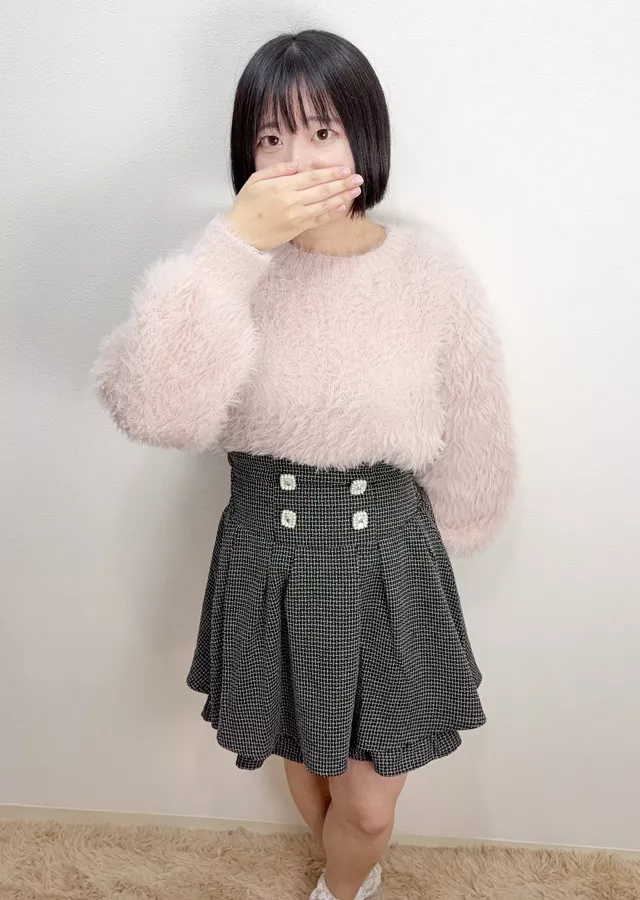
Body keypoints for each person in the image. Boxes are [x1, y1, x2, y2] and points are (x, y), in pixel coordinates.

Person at [92, 28, 516, 900]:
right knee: (305, 753)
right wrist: (230, 249)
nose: (296, 160)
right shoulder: (224, 270)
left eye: (322, 131)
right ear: (246, 157)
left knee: (367, 805)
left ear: (365, 138)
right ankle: (345, 876)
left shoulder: (430, 272)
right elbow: (154, 412)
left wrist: (456, 530)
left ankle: (341, 886)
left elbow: (477, 421)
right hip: (267, 559)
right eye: (271, 137)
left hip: (388, 562)